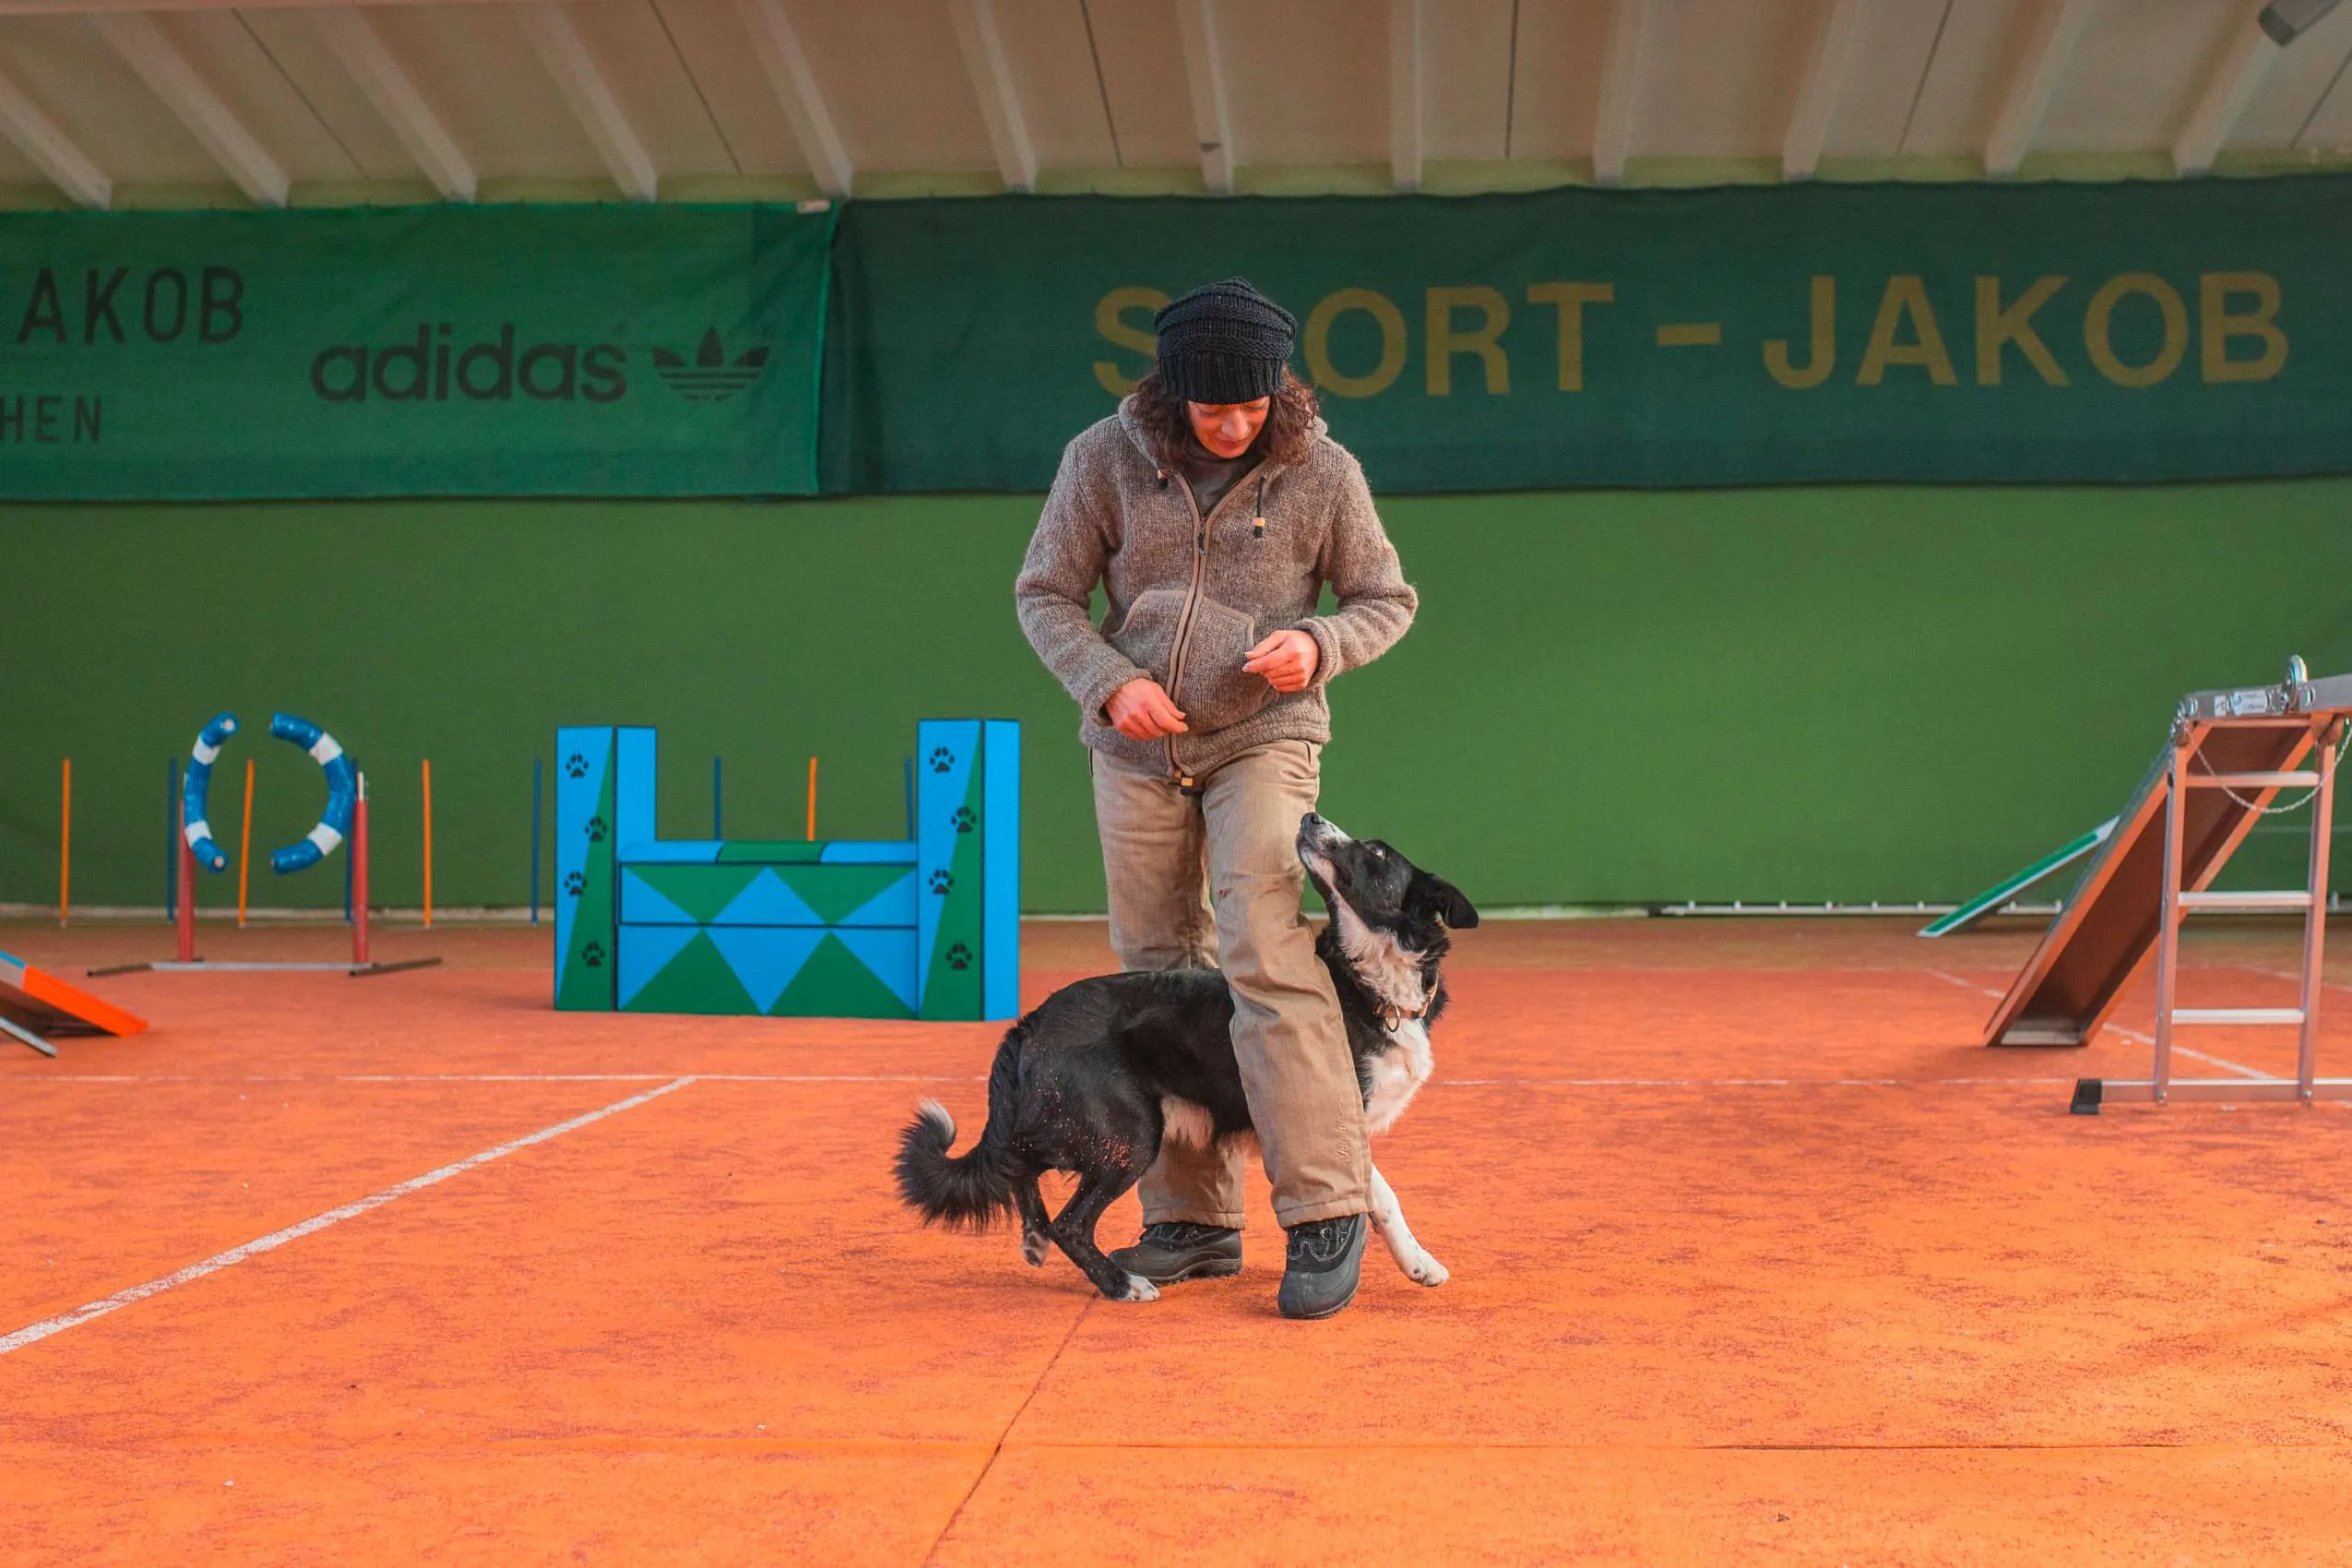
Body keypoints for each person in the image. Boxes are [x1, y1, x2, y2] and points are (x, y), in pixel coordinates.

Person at [1014, 278, 1419, 1319]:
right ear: (1171, 392)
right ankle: (1193, 1222)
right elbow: (1045, 594)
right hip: (1136, 747)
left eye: (1250, 405)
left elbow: (1386, 598)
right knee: (1159, 967)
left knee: (1268, 950)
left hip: (1265, 739)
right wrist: (1111, 680)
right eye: (1212, 409)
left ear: (1277, 391)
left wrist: (1320, 642)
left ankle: (1325, 1207)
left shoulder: (1322, 471)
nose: (1233, 424)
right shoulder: (1100, 458)